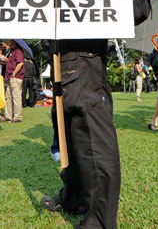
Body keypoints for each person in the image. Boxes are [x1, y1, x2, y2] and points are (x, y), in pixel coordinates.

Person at [40, 39, 121, 228]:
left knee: (91, 135)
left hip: (85, 61)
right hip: (61, 60)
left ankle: (99, 222)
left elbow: (136, 11)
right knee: (70, 138)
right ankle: (75, 197)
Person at [3, 39, 25, 123]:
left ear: (14, 41)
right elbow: (13, 62)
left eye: (9, 40)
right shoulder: (11, 51)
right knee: (8, 97)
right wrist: (6, 61)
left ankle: (17, 117)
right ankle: (8, 116)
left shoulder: (18, 51)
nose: (8, 42)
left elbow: (20, 63)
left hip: (15, 77)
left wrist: (14, 73)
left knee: (16, 97)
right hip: (9, 76)